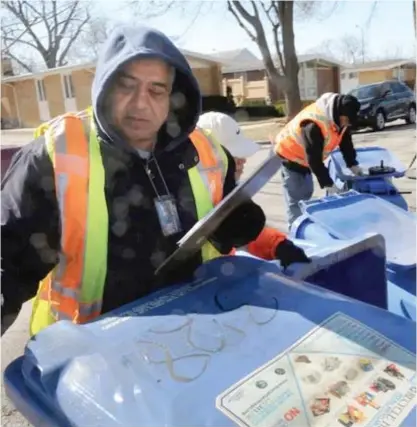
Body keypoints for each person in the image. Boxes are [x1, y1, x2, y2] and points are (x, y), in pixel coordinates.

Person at [1, 25, 268, 336]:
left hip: (194, 331)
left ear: (173, 97)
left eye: (156, 90)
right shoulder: (55, 155)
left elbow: (220, 212)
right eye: (126, 86)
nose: (141, 104)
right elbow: (8, 259)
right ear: (104, 87)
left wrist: (235, 226)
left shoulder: (204, 149)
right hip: (91, 353)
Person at [197, 111, 311, 268]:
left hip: (220, 276)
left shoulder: (222, 189)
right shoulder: (192, 197)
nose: (243, 161)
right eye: (234, 157)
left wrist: (277, 245)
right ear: (209, 159)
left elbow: (242, 231)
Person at [273, 92, 363, 228]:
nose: (346, 124)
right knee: (298, 199)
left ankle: (303, 226)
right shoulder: (313, 124)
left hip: (305, 159)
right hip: (291, 156)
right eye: (346, 120)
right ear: (338, 113)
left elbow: (345, 142)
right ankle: (295, 232)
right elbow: (313, 159)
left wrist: (352, 164)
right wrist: (328, 184)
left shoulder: (339, 119)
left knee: (307, 192)